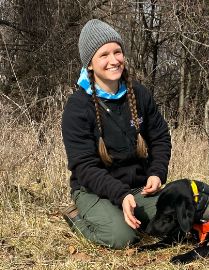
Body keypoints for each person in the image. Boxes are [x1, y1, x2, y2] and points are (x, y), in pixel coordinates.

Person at [61, 19, 171, 249]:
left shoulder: (139, 94)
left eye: (117, 52)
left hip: (138, 187)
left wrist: (157, 173)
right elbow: (84, 167)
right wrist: (120, 195)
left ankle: (135, 216)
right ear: (89, 64)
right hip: (95, 191)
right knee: (122, 237)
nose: (114, 60)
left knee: (183, 213)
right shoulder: (77, 107)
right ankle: (77, 217)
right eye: (104, 55)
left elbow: (160, 136)